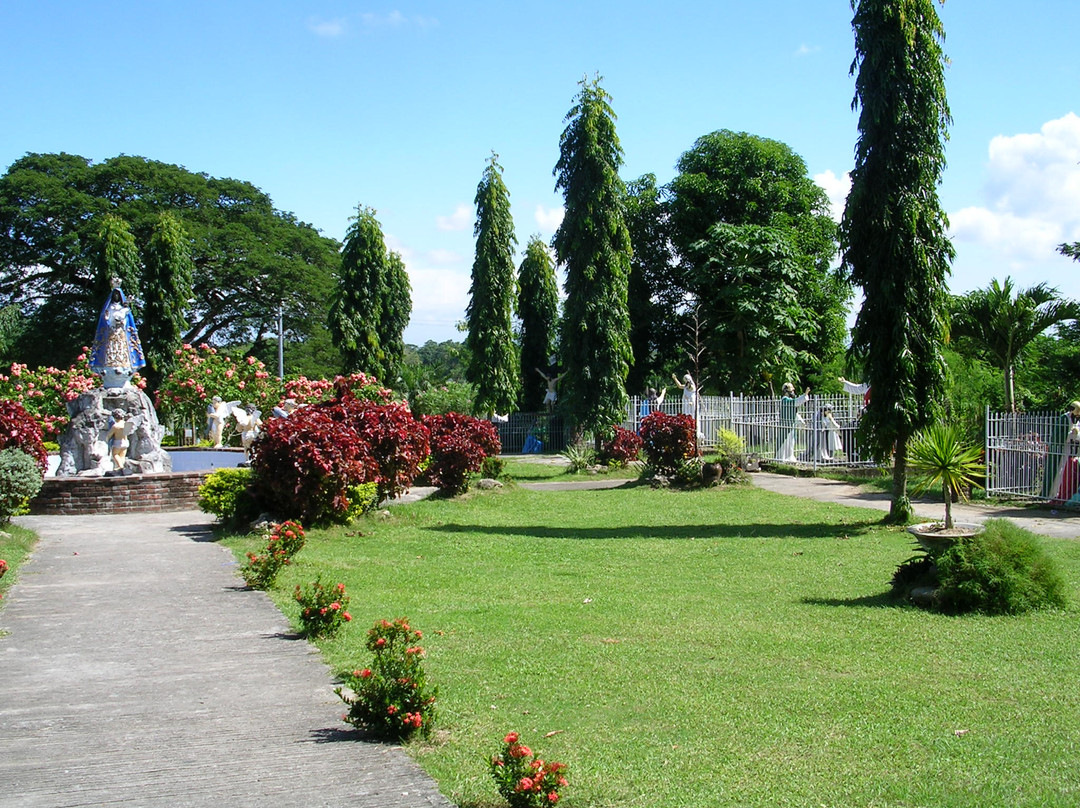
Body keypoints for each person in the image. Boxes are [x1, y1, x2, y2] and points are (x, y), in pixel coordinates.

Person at [89, 285, 146, 389]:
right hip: (111, 334)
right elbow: (105, 319)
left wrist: (121, 320)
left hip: (121, 334)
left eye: (117, 295)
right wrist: (109, 319)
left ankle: (124, 371)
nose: (116, 296)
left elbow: (127, 321)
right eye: (114, 294)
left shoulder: (124, 308)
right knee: (110, 352)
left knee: (123, 353)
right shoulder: (109, 308)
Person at [1043, 401, 1080, 503]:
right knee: (1058, 471)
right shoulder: (1064, 419)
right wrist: (1070, 435)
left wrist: (1076, 434)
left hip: (1071, 449)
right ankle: (1052, 494)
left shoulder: (1076, 419)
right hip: (1060, 449)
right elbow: (1058, 435)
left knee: (1066, 472)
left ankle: (1063, 494)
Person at [777, 382, 810, 463]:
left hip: (791, 426)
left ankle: (789, 457)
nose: (793, 391)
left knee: (791, 443)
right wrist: (804, 395)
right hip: (785, 426)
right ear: (786, 391)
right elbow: (796, 402)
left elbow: (794, 413)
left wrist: (801, 422)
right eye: (791, 390)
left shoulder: (790, 400)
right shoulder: (785, 400)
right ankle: (782, 458)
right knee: (784, 444)